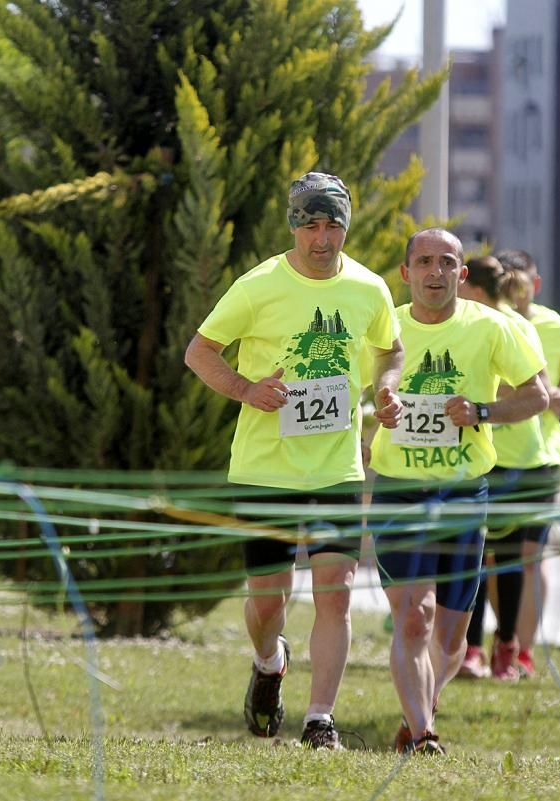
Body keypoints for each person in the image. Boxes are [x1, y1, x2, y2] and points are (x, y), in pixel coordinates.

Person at [184, 172, 405, 750]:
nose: (322, 237)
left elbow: (391, 347)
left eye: (333, 224)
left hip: (335, 467)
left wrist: (387, 387)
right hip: (265, 469)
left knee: (335, 587)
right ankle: (268, 661)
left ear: (345, 228)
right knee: (267, 600)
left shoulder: (368, 288)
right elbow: (199, 352)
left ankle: (319, 718)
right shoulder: (257, 287)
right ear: (294, 226)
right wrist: (245, 389)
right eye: (311, 224)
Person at [366, 228, 547, 754]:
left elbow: (536, 396)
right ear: (406, 273)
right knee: (413, 618)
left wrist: (482, 411)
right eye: (424, 262)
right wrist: (381, 406)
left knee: (450, 642)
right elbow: (354, 388)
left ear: (462, 275)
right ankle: (423, 732)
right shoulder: (384, 328)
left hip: (465, 493)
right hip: (401, 488)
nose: (435, 272)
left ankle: (422, 706)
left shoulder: (492, 328)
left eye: (447, 263)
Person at [455, 256, 551, 681]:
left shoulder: (515, 326)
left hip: (513, 458)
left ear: (474, 289)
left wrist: (482, 403)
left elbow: (535, 386)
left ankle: (504, 648)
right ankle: (471, 648)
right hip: (474, 456)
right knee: (471, 555)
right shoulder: (464, 322)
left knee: (506, 558)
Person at [495, 248, 560, 678]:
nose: (516, 287)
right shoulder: (487, 321)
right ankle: (500, 639)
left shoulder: (554, 325)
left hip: (540, 456)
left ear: (537, 283)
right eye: (506, 278)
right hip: (492, 454)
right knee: (495, 555)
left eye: (523, 279)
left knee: (531, 555)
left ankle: (522, 649)